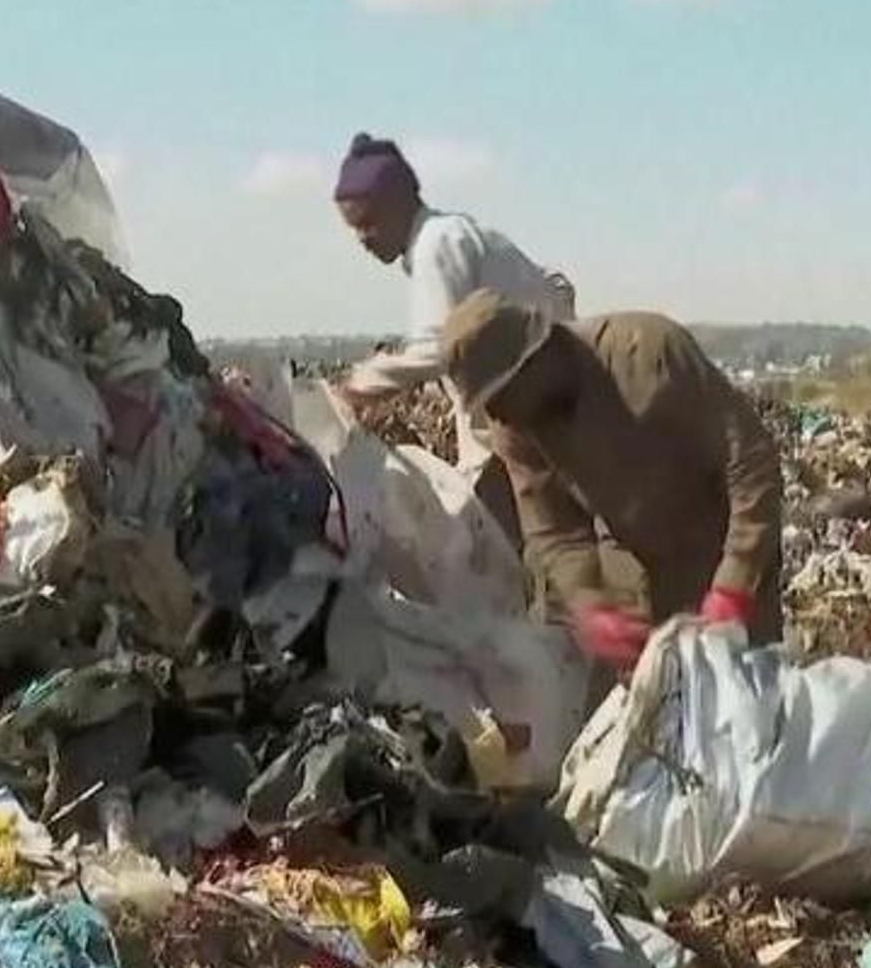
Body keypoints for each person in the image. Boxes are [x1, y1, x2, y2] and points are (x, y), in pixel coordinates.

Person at [439, 289, 783, 669]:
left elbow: (750, 463)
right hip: (633, 574)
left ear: (536, 357)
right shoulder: (517, 426)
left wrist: (735, 583)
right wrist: (591, 604)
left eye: (500, 397)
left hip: (721, 552)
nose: (498, 416)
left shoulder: (649, 353)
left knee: (747, 702)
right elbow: (553, 530)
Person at [332, 133, 574, 544]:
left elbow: (438, 349)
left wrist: (357, 386)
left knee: (492, 546)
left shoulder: (435, 246)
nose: (363, 240)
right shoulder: (456, 234)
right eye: (355, 229)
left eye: (368, 224)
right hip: (540, 412)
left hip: (526, 420)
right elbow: (556, 287)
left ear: (397, 205)